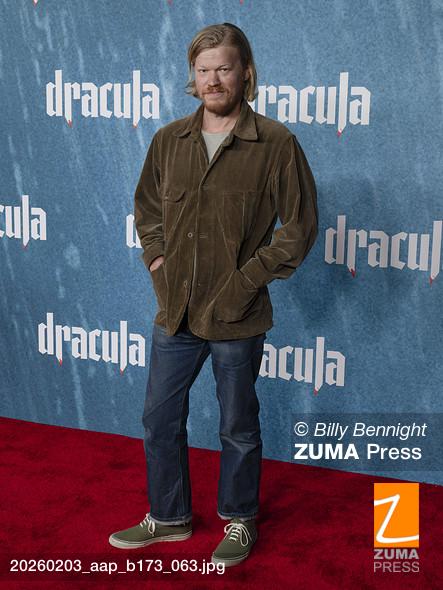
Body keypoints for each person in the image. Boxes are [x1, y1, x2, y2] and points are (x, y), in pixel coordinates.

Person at [109, 22, 318, 567]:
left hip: (237, 315)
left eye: (224, 68)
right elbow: (147, 210)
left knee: (237, 427)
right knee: (158, 420)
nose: (213, 80)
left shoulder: (275, 143)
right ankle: (169, 517)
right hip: (175, 311)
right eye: (203, 70)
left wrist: (245, 283)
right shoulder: (168, 140)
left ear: (245, 72)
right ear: (193, 76)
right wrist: (158, 264)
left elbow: (298, 229)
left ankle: (240, 520)